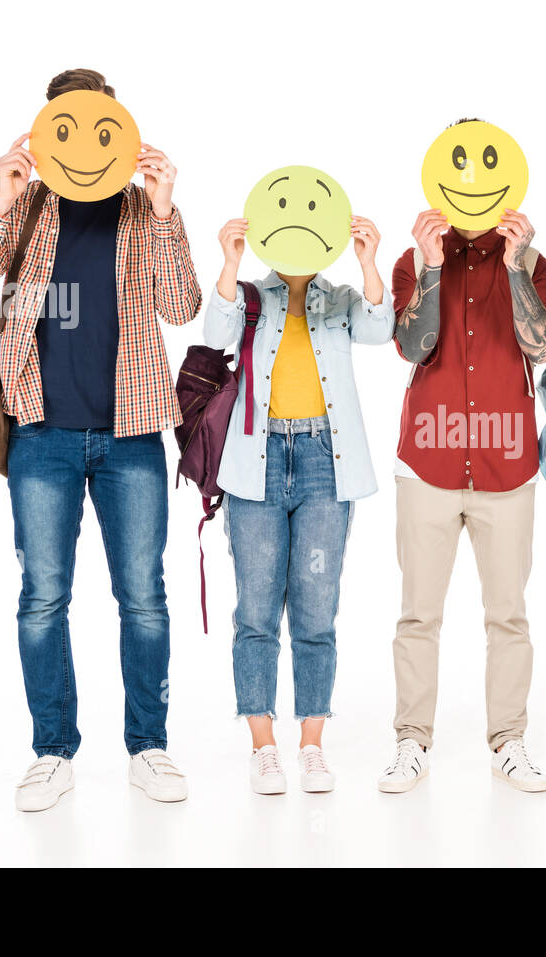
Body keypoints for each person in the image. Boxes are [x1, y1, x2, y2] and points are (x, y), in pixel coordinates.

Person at [0, 68, 201, 811]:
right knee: (42, 599)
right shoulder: (25, 210)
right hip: (41, 438)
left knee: (144, 599)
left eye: (99, 128)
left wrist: (164, 209)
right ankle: (52, 751)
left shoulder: (137, 211)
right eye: (67, 128)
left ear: (118, 134)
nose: (85, 143)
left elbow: (182, 306)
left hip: (129, 439)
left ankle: (147, 747)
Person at [378, 119, 546, 793]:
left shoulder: (532, 263)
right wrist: (430, 265)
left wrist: (517, 269)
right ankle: (410, 741)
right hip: (426, 463)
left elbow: (541, 347)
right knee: (418, 611)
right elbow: (414, 347)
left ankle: (508, 740)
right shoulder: (413, 259)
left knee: (507, 612)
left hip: (507, 468)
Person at [204, 210, 394, 795]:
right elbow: (214, 337)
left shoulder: (336, 299)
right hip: (255, 463)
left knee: (316, 610)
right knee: (255, 609)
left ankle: (311, 746)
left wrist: (367, 262)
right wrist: (231, 262)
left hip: (323, 461)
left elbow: (379, 329)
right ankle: (264, 747)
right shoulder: (251, 297)